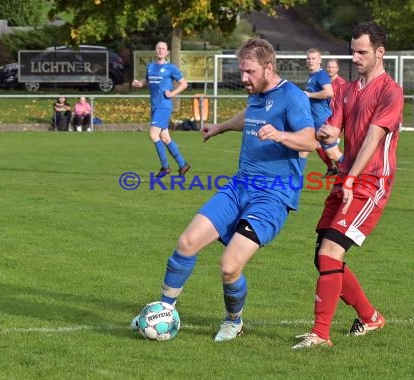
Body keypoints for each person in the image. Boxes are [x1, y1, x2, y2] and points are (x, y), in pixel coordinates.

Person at [130, 38, 317, 342]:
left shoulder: (292, 97)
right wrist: (220, 127)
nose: (243, 78)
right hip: (240, 185)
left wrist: (281, 135)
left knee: (230, 267)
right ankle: (162, 310)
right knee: (187, 241)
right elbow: (250, 116)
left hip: (273, 196)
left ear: (268, 68)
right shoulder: (256, 94)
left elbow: (310, 141)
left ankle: (234, 320)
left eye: (249, 72)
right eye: (241, 71)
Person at [292, 21, 404, 349]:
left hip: (370, 184)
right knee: (322, 257)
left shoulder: (390, 92)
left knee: (330, 252)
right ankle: (370, 318)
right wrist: (313, 132)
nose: (354, 57)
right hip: (347, 179)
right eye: (352, 51)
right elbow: (333, 129)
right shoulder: (346, 89)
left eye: (361, 52)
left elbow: (373, 138)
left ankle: (320, 334)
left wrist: (352, 176)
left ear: (379, 52)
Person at [132, 41, 191, 177]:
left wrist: (173, 93)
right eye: (158, 48)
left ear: (167, 52)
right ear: (155, 50)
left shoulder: (171, 68)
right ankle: (183, 165)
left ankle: (165, 167)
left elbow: (184, 84)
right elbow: (147, 81)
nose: (160, 51)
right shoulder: (150, 67)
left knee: (153, 134)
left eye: (163, 49)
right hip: (154, 106)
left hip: (164, 106)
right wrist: (139, 83)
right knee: (165, 137)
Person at [303, 48, 340, 178]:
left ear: (319, 60)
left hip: (323, 121)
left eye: (313, 58)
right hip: (314, 121)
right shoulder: (312, 76)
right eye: (309, 58)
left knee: (333, 154)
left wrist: (310, 95)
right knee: (304, 147)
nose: (311, 61)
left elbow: (329, 92)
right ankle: (336, 170)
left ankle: (350, 175)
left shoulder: (321, 75)